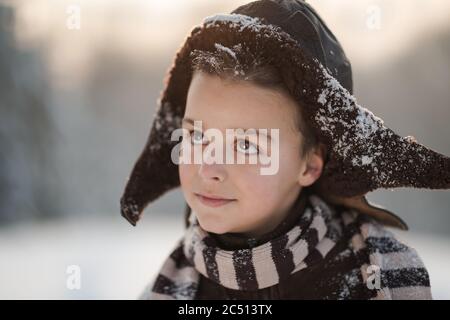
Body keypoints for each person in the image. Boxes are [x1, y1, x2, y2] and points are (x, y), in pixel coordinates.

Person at [120, 0, 450, 299]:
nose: (208, 168)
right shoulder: (169, 288)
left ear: (310, 164)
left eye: (246, 145)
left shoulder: (381, 278)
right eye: (196, 137)